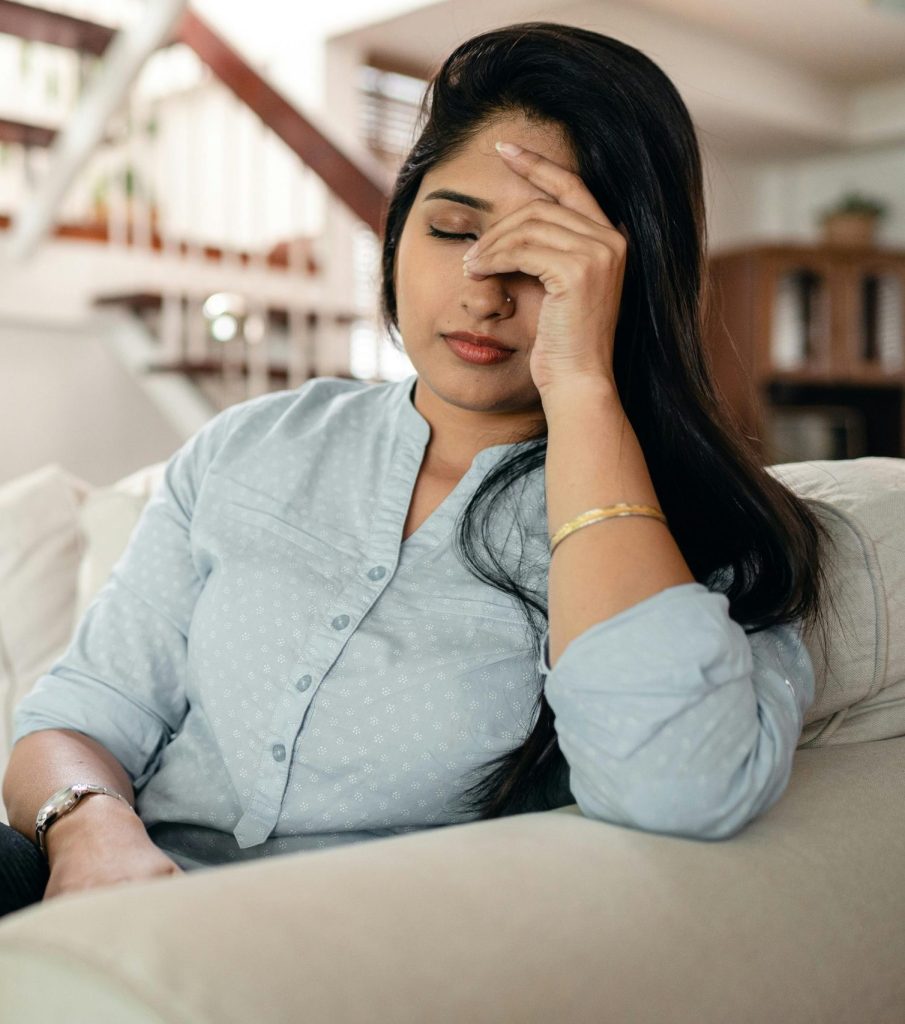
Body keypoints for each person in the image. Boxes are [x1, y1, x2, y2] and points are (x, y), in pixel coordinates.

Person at [1, 21, 842, 920]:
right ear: (399, 231)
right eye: (452, 230)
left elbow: (676, 786)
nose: (484, 288)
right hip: (105, 899)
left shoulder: (693, 529)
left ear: (624, 280)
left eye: (545, 256)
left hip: (351, 949)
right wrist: (89, 832)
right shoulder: (248, 445)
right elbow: (84, 711)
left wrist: (584, 385)